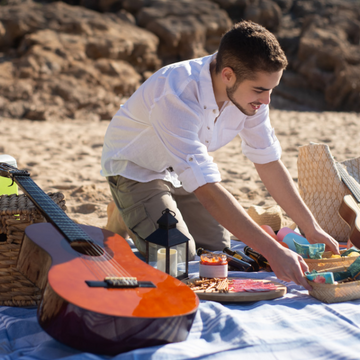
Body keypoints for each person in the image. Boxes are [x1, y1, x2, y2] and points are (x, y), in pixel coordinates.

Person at [101, 20, 339, 290]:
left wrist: (311, 227)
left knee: (215, 251)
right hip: (136, 169)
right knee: (177, 257)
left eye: (272, 89)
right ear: (227, 75)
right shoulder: (177, 94)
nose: (267, 101)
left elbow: (269, 162)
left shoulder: (251, 98)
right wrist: (273, 251)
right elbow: (209, 191)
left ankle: (135, 211)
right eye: (260, 90)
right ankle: (125, 207)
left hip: (180, 174)